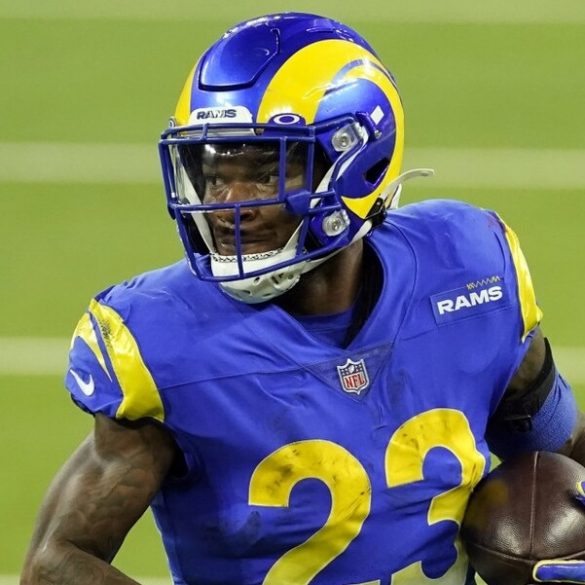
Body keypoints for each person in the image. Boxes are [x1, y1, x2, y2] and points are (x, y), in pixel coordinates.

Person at [20, 12, 585, 585]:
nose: (229, 205)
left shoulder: (468, 271)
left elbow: (563, 453)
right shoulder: (163, 342)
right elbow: (56, 563)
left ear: (357, 166)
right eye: (214, 173)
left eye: (266, 172)